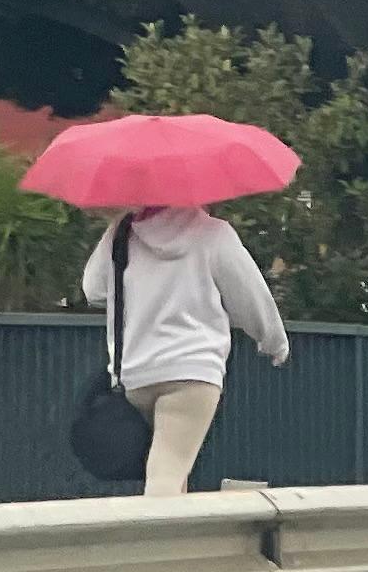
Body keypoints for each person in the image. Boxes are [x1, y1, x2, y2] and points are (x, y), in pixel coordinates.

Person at [81, 200, 291, 497]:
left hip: (136, 373)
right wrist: (273, 342)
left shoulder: (122, 232)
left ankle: (178, 541)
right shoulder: (213, 234)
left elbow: (94, 289)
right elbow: (249, 297)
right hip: (192, 371)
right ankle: (158, 542)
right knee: (167, 471)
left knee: (171, 465)